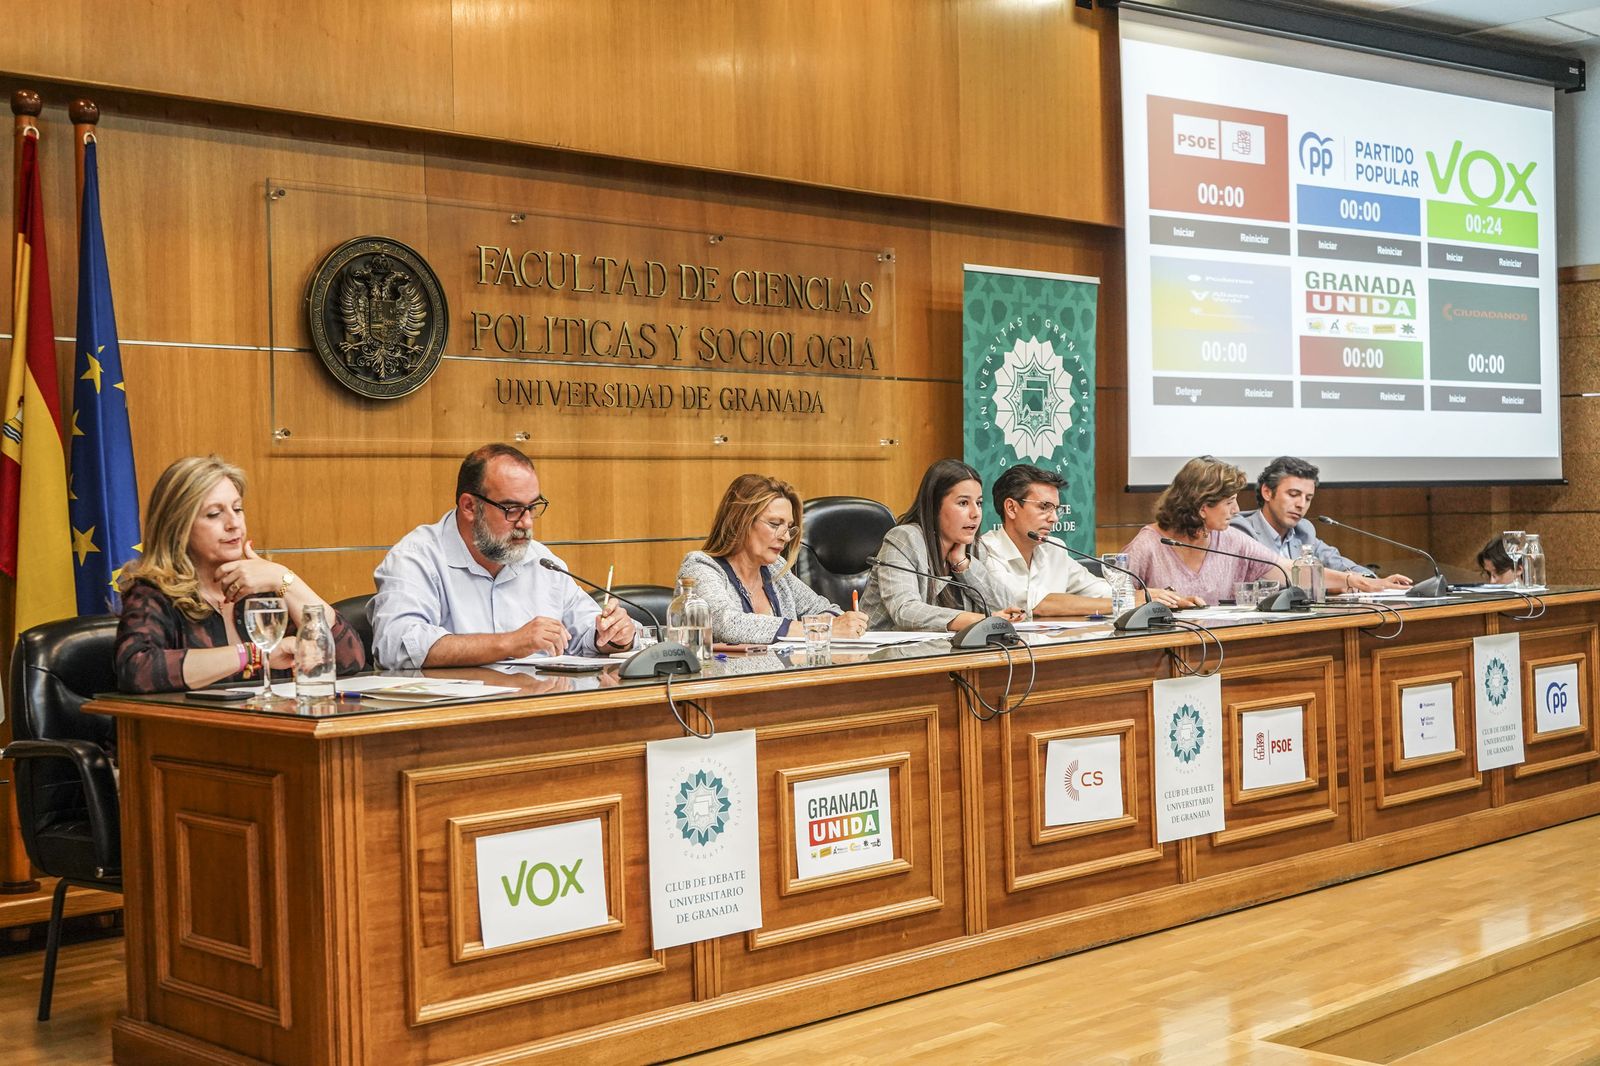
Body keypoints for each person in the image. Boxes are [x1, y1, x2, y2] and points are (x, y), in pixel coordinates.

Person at [369, 443, 635, 669]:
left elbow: (586, 632)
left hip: (539, 709)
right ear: (470, 506)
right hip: (454, 718)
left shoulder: (541, 561)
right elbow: (397, 644)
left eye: (532, 507)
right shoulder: (416, 557)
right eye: (512, 508)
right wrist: (510, 642)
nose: (526, 522)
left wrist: (611, 636)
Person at [114, 455, 365, 693]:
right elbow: (137, 669)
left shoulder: (262, 588)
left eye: (238, 509)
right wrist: (252, 654)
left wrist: (285, 578)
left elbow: (348, 660)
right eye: (214, 514)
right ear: (179, 527)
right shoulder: (153, 592)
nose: (233, 523)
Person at [1123, 456, 1373, 606]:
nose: (1237, 509)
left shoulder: (1229, 539)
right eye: (1229, 501)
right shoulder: (1148, 545)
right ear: (1203, 506)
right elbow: (1115, 601)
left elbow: (1288, 569)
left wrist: (1353, 580)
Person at [979, 464, 1199, 616]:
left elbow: (1099, 589)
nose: (1054, 518)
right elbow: (1035, 604)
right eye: (1044, 507)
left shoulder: (1054, 550)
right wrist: (1129, 602)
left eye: (1056, 509)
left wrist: (1158, 597)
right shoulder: (985, 551)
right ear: (1011, 508)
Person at [678, 474, 869, 645]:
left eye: (788, 527)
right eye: (775, 524)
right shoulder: (699, 567)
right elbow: (725, 623)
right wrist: (819, 630)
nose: (785, 537)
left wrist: (840, 624)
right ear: (739, 522)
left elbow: (826, 610)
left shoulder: (775, 569)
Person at [860, 458, 1023, 632]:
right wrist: (980, 620)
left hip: (945, 651)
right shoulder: (904, 539)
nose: (975, 513)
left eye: (979, 503)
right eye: (963, 503)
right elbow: (905, 611)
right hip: (884, 654)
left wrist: (963, 564)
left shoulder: (974, 548)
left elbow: (1006, 606)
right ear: (935, 505)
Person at [1231, 456, 1411, 592]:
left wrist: (1369, 579)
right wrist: (1342, 583)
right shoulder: (1242, 529)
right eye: (1293, 495)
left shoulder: (1303, 530)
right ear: (1267, 492)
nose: (1301, 504)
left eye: (1308, 498)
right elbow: (1273, 579)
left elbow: (1338, 562)